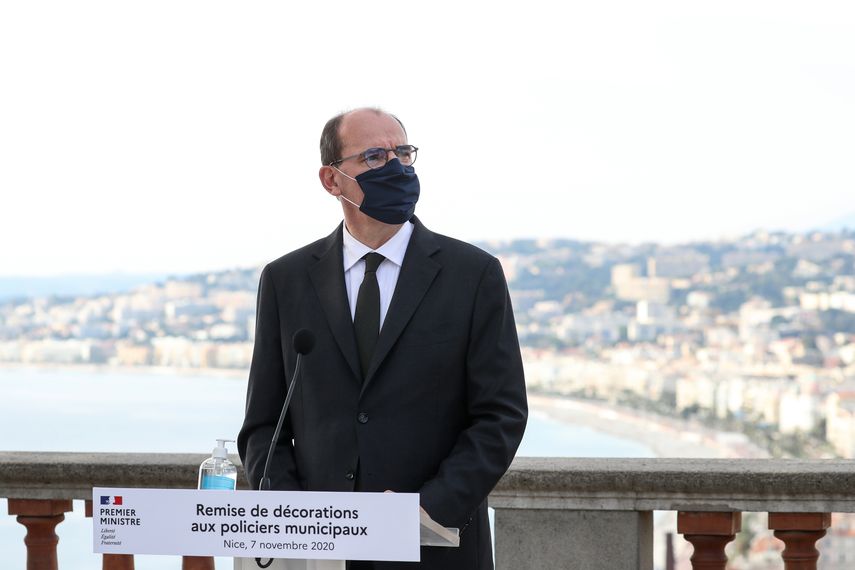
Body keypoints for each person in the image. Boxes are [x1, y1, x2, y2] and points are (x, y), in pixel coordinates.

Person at [238, 107, 528, 569]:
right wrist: (294, 516)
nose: (396, 168)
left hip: (437, 547)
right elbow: (263, 427)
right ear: (332, 181)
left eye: (404, 153)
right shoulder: (285, 280)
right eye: (374, 156)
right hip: (321, 551)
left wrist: (427, 508)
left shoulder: (473, 275)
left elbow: (501, 416)